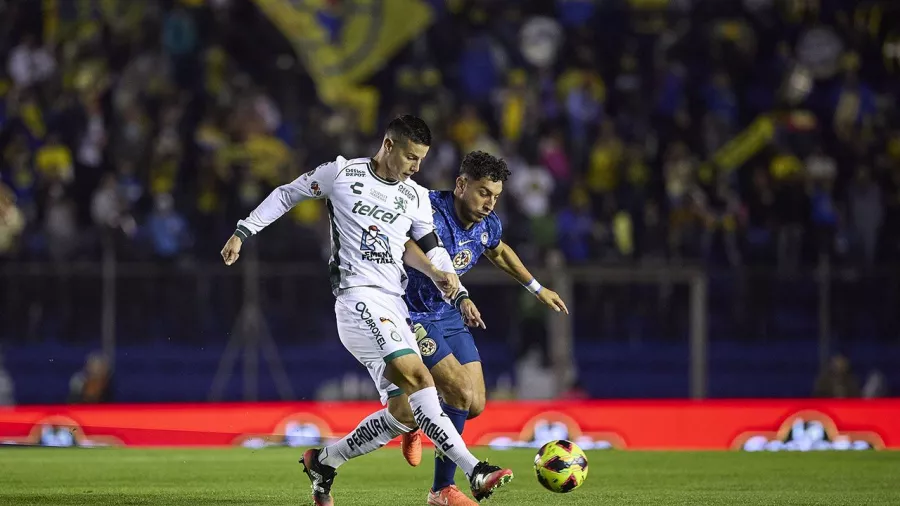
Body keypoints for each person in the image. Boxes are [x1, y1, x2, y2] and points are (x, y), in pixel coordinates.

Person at [220, 116, 513, 506]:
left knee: (404, 412)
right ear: (388, 146)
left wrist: (453, 286)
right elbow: (287, 193)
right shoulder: (341, 173)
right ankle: (472, 472)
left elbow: (431, 246)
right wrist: (243, 231)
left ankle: (324, 462)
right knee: (420, 378)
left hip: (394, 303)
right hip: (357, 298)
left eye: (422, 159)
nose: (416, 167)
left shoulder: (414, 196)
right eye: (411, 157)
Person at [400, 151, 568, 505]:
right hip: (410, 312)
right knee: (458, 393)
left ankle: (412, 416)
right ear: (461, 185)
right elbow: (401, 245)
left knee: (474, 404)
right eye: (483, 193)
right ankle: (441, 490)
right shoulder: (425, 209)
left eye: (496, 196)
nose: (490, 203)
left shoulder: (487, 225)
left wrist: (537, 288)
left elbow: (499, 251)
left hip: (446, 313)